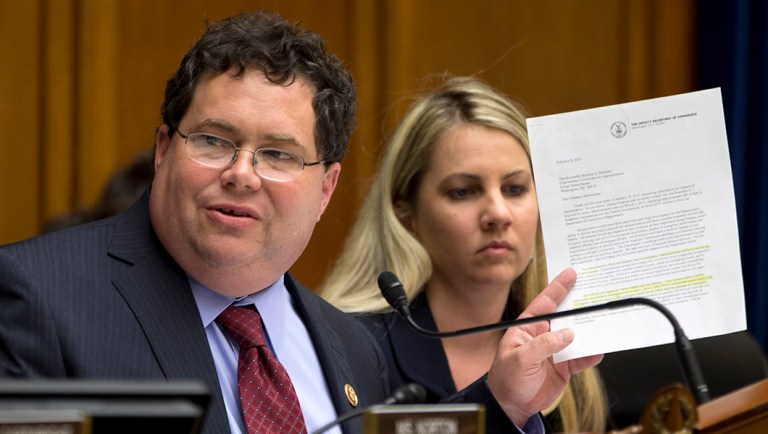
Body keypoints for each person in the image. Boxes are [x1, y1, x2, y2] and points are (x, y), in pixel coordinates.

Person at [0, 11, 596, 434]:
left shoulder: (352, 346)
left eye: (279, 155)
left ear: (325, 187)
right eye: (213, 141)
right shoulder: (40, 296)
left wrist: (504, 405)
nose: (241, 173)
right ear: (163, 150)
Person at [320, 76, 608, 432]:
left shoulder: (561, 349)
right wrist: (503, 405)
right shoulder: (352, 349)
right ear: (406, 215)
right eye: (463, 192)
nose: (499, 214)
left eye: (515, 188)